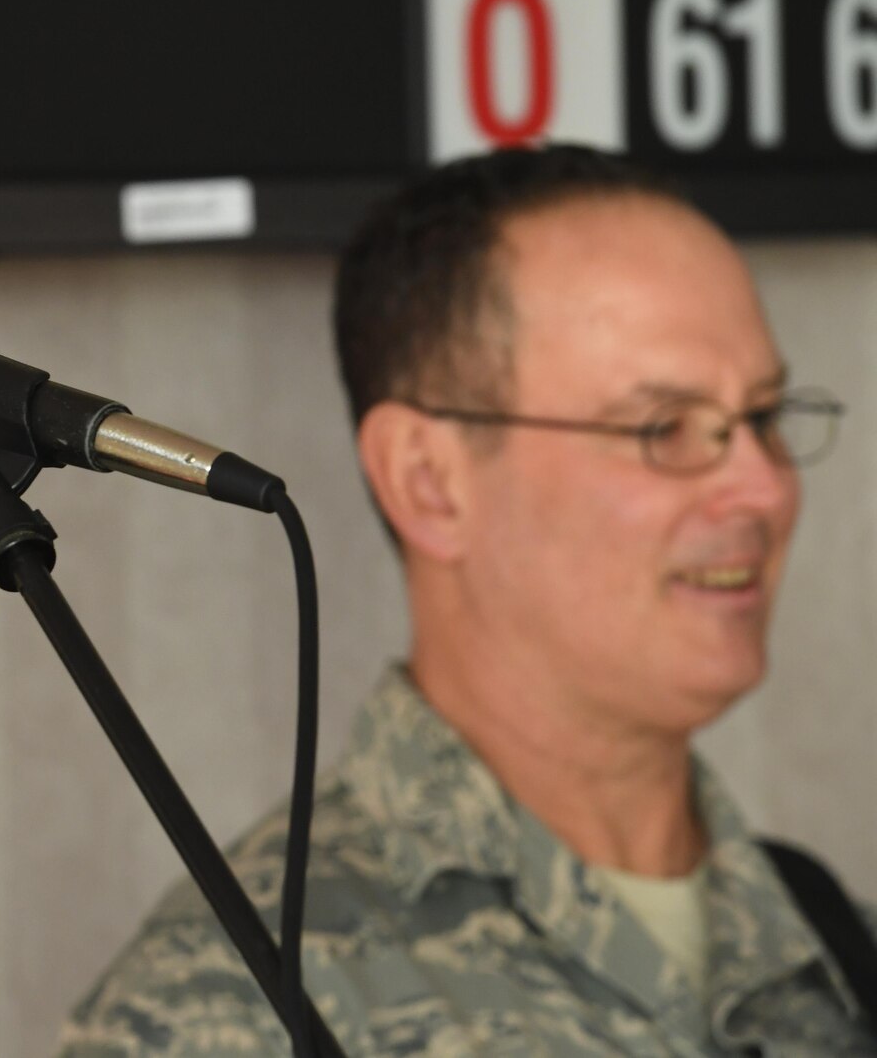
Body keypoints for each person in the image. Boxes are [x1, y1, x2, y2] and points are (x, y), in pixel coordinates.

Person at [57, 145, 868, 1055]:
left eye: (762, 417)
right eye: (664, 428)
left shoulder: (833, 944)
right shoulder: (230, 1010)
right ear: (430, 481)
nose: (762, 488)